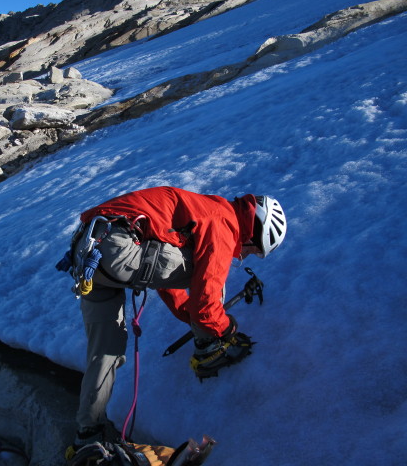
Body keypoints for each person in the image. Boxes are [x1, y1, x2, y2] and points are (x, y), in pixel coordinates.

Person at [57, 186, 287, 457]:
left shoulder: (204, 211)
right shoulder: (222, 220)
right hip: (117, 246)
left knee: (105, 352)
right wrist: (224, 330)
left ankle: (88, 434)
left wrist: (193, 316)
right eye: (252, 251)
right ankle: (210, 347)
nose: (244, 256)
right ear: (254, 233)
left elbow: (165, 278)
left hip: (88, 254)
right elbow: (204, 299)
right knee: (210, 272)